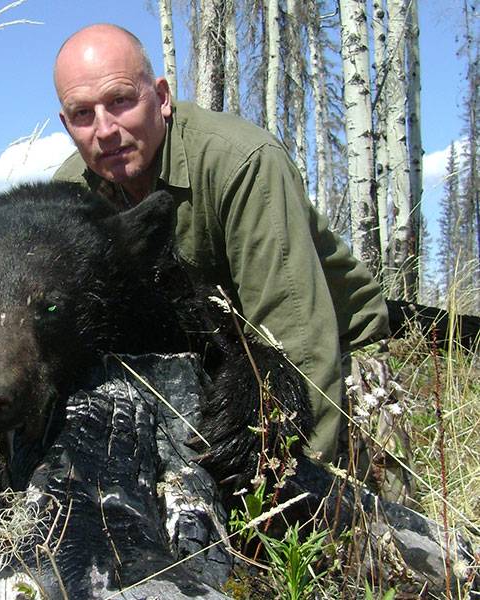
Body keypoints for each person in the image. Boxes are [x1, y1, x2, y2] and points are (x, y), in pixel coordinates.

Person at [52, 23, 390, 467]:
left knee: (362, 520)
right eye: (82, 114)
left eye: (120, 101)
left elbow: (299, 341)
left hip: (334, 356)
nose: (105, 130)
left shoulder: (242, 163)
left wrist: (300, 499)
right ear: (66, 123)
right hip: (220, 361)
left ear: (161, 96)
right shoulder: (70, 191)